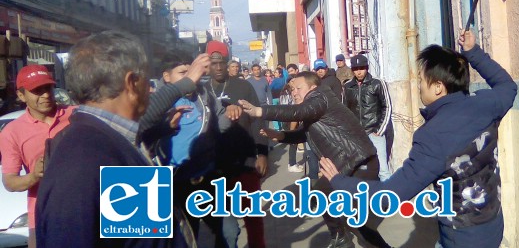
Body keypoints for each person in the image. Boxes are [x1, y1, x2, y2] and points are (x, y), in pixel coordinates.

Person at [320, 30, 518, 248]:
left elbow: (391, 195)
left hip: (462, 237)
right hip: (493, 224)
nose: (419, 85)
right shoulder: (486, 105)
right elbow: (507, 87)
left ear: (438, 87)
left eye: (422, 80)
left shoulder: (433, 136)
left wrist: (340, 181)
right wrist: (474, 53)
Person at [35, 31, 192, 248]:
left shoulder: (110, 142)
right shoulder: (85, 157)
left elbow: (142, 237)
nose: (151, 88)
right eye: (147, 79)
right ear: (132, 83)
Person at [239, 72, 391, 248]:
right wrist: (280, 135)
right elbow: (306, 133)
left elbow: (297, 112)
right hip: (348, 163)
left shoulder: (320, 96)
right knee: (349, 216)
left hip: (359, 162)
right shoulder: (316, 106)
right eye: (292, 89)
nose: (294, 92)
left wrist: (259, 111)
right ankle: (342, 238)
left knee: (330, 201)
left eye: (298, 88)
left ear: (312, 87)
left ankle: (341, 238)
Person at [143, 51, 240, 248]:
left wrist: (229, 112)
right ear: (167, 76)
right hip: (176, 182)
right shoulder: (156, 102)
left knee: (230, 231)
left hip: (208, 177)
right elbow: (141, 135)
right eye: (183, 72)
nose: (193, 76)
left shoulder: (203, 93)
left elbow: (218, 116)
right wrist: (166, 126)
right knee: (188, 238)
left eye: (193, 70)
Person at [0, 65, 75, 248]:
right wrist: (34, 175)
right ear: (21, 95)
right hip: (43, 217)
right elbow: (10, 182)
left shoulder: (77, 115)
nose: (46, 95)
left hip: (85, 209)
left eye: (48, 88)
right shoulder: (12, 132)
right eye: (37, 91)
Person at [205, 41, 268, 248]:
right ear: (208, 64)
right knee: (226, 230)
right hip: (214, 169)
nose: (219, 67)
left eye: (222, 62)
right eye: (214, 63)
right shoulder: (201, 91)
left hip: (246, 163)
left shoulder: (243, 86)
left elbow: (258, 119)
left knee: (253, 220)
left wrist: (262, 153)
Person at [344, 54, 394, 181]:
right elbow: (344, 110)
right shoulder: (348, 86)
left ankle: (389, 198)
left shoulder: (377, 83)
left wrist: (379, 130)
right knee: (360, 169)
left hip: (374, 132)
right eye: (355, 69)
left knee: (383, 170)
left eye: (361, 68)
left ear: (366, 68)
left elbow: (387, 106)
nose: (359, 71)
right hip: (357, 135)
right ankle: (364, 198)